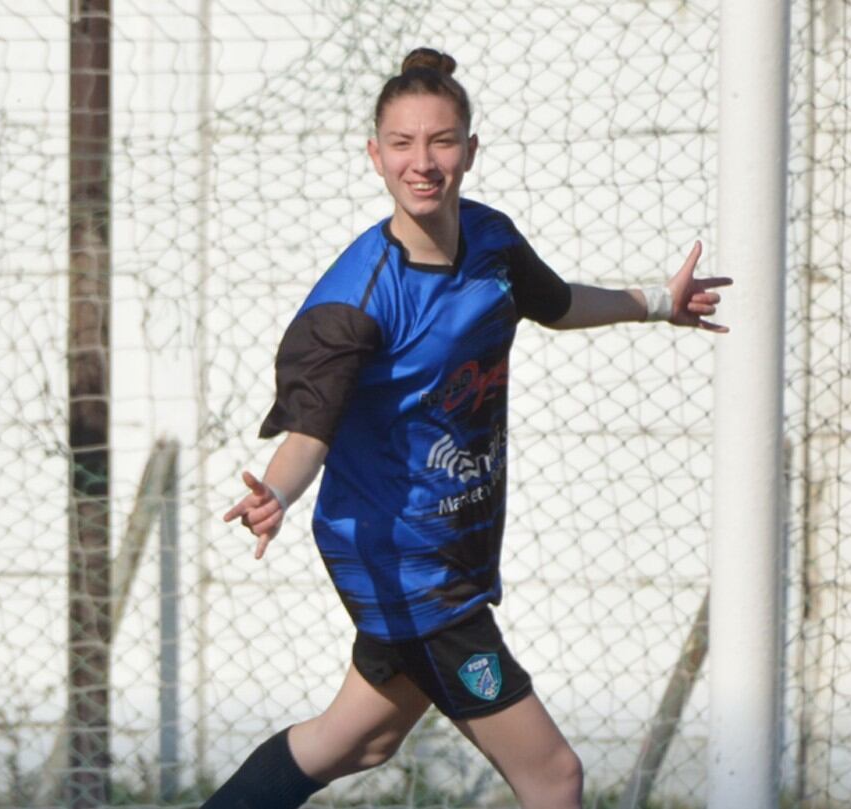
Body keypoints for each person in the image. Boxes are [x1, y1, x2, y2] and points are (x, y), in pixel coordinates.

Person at [207, 48, 729, 809]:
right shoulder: (356, 301)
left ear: (470, 151)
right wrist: (277, 496)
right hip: (405, 562)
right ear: (375, 156)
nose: (423, 162)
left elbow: (554, 304)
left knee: (356, 738)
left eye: (441, 141)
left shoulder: (492, 243)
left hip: (453, 544)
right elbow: (310, 433)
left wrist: (657, 301)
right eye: (402, 144)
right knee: (553, 774)